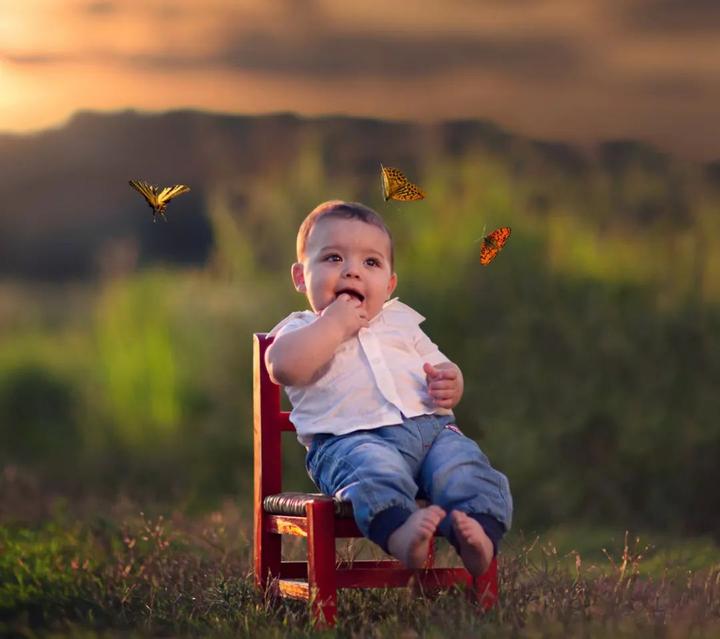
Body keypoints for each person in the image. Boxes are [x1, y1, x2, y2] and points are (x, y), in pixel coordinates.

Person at [266, 200, 512, 576]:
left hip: (432, 435)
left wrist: (451, 381)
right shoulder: (301, 327)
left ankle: (478, 531)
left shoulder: (402, 323)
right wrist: (334, 325)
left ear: (390, 283)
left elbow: (440, 363)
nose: (352, 271)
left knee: (464, 464)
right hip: (348, 441)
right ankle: (401, 533)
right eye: (333, 258)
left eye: (371, 263)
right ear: (301, 276)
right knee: (375, 471)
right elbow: (282, 366)